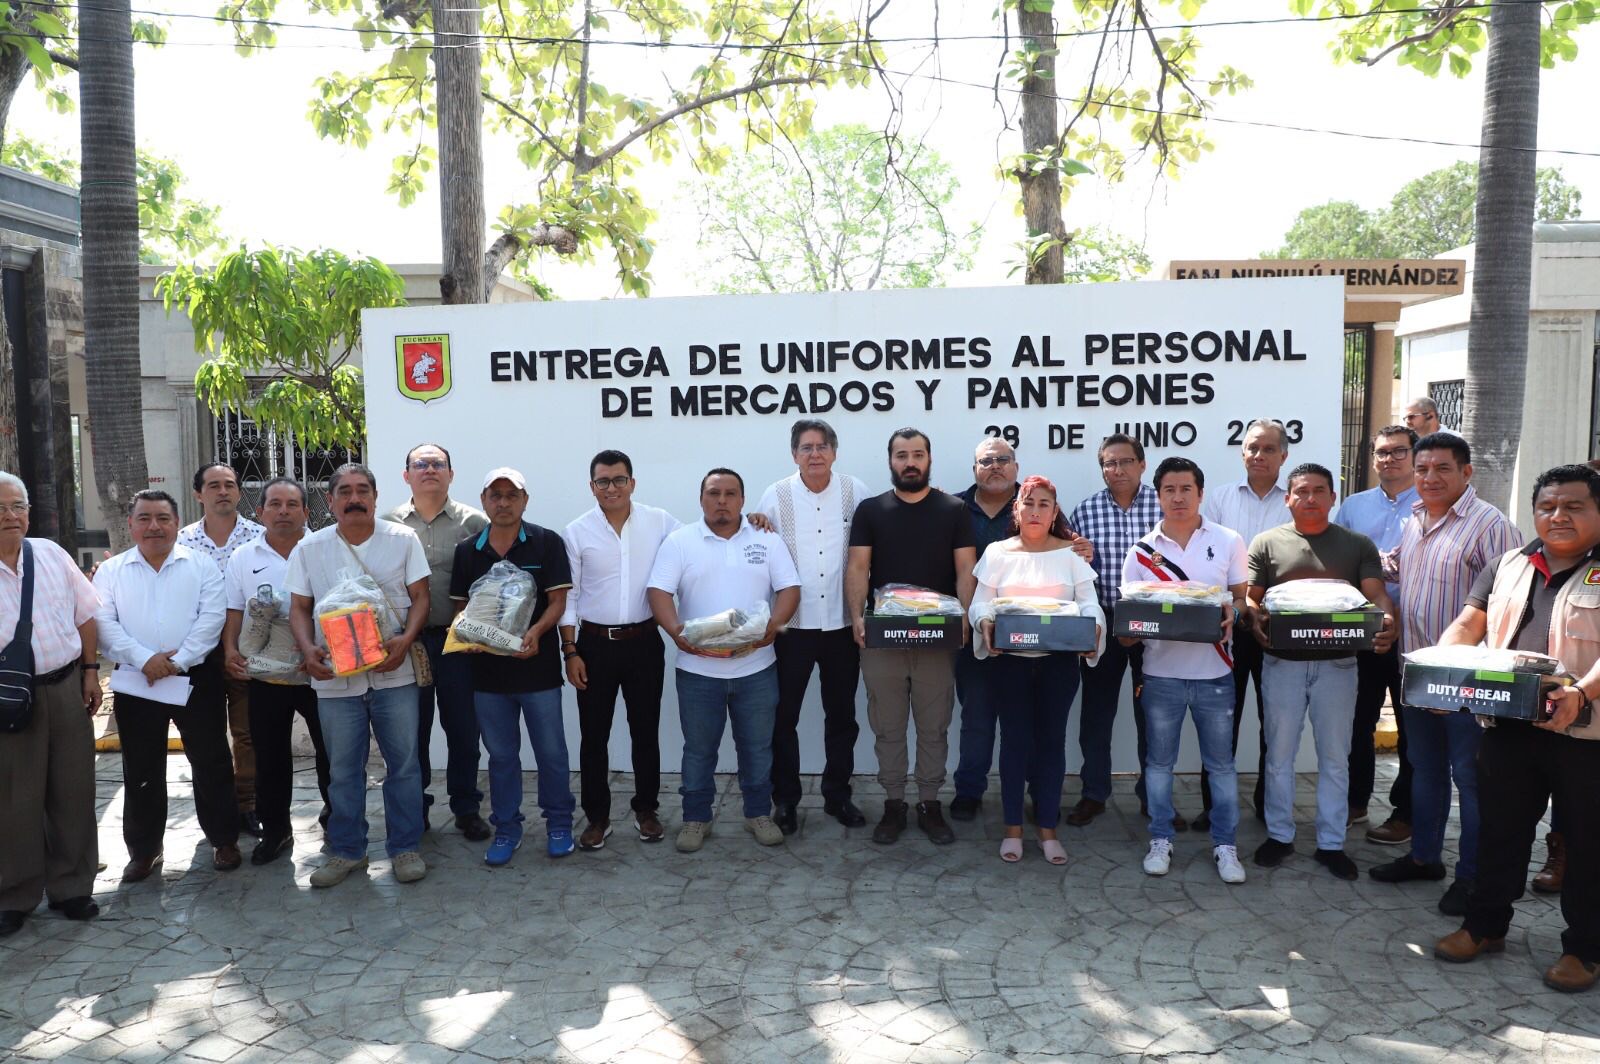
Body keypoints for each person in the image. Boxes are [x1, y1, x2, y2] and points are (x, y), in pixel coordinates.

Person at [1432, 464, 1600, 993]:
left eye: (1573, 506)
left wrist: (1580, 693)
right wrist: (1442, 670)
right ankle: (1485, 926)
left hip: (1586, 735)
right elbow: (1469, 622)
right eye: (1548, 506)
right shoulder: (1510, 563)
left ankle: (1584, 949)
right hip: (1509, 726)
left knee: (1588, 842)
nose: (1558, 516)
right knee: (1499, 830)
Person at [1369, 433, 1520, 915]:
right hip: (1415, 672)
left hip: (1468, 684)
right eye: (1423, 470)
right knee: (1427, 771)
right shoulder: (1416, 519)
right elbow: (1391, 568)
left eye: (1442, 469)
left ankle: (1473, 878)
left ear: (1467, 472)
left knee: (1471, 782)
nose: (1430, 478)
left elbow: (1509, 607)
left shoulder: (1489, 526)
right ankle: (1424, 858)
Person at [1247, 463, 1396, 880]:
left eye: (1319, 491)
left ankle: (1331, 843)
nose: (1310, 498)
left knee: (1335, 757)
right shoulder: (1267, 543)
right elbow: (1252, 598)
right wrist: (1254, 618)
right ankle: (1279, 835)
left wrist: (1388, 622)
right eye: (1301, 491)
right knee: (1278, 755)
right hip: (1282, 665)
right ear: (1288, 498)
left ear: (1333, 497)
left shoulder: (1356, 544)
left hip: (1339, 665)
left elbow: (1377, 595)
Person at [288, 463, 430, 887]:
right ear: (329, 501)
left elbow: (420, 597)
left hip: (393, 671)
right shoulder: (310, 548)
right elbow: (298, 607)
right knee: (343, 769)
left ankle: (404, 848)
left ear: (375, 496)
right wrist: (307, 648)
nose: (354, 499)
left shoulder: (402, 539)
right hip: (335, 678)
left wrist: (405, 640)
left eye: (362, 490)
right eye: (344, 491)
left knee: (403, 765)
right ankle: (347, 851)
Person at [647, 469, 800, 853]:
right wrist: (677, 632)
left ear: (742, 500)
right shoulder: (680, 541)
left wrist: (774, 628)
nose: (722, 500)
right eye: (714, 493)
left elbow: (790, 588)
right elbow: (659, 591)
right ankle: (696, 819)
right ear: (701, 499)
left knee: (758, 747)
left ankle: (757, 814)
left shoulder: (766, 539)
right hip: (698, 670)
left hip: (756, 667)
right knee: (698, 750)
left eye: (731, 494)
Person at [96, 489, 240, 880]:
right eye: (144, 518)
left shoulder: (202, 565)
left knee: (211, 760)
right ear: (131, 525)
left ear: (177, 523)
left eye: (163, 518)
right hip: (136, 680)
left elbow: (211, 619)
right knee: (141, 766)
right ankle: (144, 851)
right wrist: (146, 659)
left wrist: (176, 661)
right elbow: (104, 624)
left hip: (195, 677)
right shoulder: (112, 571)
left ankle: (224, 839)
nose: (154, 526)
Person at [1119, 458, 1251, 884]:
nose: (1178, 497)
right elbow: (1129, 622)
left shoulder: (1228, 540)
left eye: (1186, 489)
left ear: (1200, 492)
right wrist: (1133, 628)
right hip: (1161, 674)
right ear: (1158, 495)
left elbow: (1242, 601)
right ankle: (1160, 838)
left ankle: (1225, 845)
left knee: (1222, 766)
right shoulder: (1141, 550)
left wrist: (1235, 612)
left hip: (1215, 674)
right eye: (1169, 489)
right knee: (1158, 765)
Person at [846, 428, 977, 845]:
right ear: (890, 461)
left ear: (929, 459)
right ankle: (894, 803)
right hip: (882, 638)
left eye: (917, 454)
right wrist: (857, 618)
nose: (910, 462)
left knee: (934, 724)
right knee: (887, 725)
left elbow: (965, 570)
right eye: (901, 455)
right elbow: (857, 569)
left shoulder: (954, 509)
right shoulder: (871, 510)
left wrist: (965, 620)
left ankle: (929, 802)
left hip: (938, 640)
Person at [970, 475, 1103, 866]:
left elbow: (1090, 604)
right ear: (1017, 509)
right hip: (1010, 663)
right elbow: (980, 604)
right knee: (1013, 741)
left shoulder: (1071, 555)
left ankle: (1047, 827)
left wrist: (1093, 628)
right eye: (1028, 503)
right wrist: (985, 624)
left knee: (1051, 742)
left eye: (1044, 504)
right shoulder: (997, 552)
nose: (1035, 511)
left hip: (1057, 664)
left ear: (1054, 511)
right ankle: (1013, 827)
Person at [450, 468, 576, 864]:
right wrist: (467, 637)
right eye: (495, 495)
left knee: (551, 753)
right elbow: (460, 607)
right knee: (501, 757)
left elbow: (557, 601)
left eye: (511, 495)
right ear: (484, 500)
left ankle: (559, 824)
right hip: (488, 677)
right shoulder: (467, 550)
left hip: (536, 671)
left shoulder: (546, 542)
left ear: (525, 500)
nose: (503, 503)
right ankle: (506, 828)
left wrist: (537, 632)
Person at [560, 450, 680, 849]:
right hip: (594, 646)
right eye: (602, 482)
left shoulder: (660, 522)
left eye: (619, 480)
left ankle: (646, 811)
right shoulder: (576, 532)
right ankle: (597, 817)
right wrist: (571, 651)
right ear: (591, 486)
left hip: (645, 641)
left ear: (633, 482)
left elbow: (701, 542)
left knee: (645, 732)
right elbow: (570, 598)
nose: (611, 488)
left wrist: (751, 522)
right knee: (593, 736)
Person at [0, 472, 102, 936]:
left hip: (65, 687)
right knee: (13, 798)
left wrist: (90, 672)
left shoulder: (51, 554)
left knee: (73, 790)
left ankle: (72, 887)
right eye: (0, 508)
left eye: (17, 506)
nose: (10, 516)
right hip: (8, 698)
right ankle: (14, 895)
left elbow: (85, 615)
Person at [756, 419, 870, 834]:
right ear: (794, 454)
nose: (815, 454)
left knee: (841, 715)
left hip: (841, 624)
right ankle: (784, 800)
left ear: (834, 452)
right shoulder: (776, 495)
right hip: (793, 628)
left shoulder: (855, 491)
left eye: (822, 446)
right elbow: (758, 544)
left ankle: (838, 795)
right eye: (806, 447)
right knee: (782, 716)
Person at [220, 477, 331, 866]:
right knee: (269, 756)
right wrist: (231, 650)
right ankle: (277, 831)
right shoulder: (243, 557)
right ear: (260, 511)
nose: (283, 511)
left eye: (292, 504)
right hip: (265, 675)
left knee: (330, 752)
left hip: (318, 671)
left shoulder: (324, 549)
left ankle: (335, 822)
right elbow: (235, 610)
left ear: (306, 511)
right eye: (275, 504)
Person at [384, 443, 490, 841]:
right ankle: (417, 807)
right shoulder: (389, 523)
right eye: (420, 464)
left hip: (457, 644)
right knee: (412, 731)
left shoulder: (474, 524)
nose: (429, 469)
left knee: (464, 729)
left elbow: (491, 582)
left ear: (451, 473)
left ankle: (466, 807)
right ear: (406, 474)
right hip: (407, 645)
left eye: (438, 464)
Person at [1065, 432, 1164, 828]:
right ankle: (1093, 794)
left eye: (1125, 461)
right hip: (1103, 624)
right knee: (1096, 713)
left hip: (1154, 625)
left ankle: (1152, 796)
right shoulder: (1085, 511)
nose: (1117, 469)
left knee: (1153, 715)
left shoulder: (1165, 508)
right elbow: (1073, 571)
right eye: (1109, 463)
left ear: (1142, 465)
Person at [1200, 418, 1291, 831]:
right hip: (1231, 624)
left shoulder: (1296, 499)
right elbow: (1210, 561)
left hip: (1278, 628)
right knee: (1222, 720)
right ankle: (1213, 806)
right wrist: (1242, 606)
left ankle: (1266, 804)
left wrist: (1263, 607)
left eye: (1269, 449)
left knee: (1274, 720)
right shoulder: (1219, 499)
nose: (1259, 455)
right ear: (1241, 452)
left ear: (1283, 456)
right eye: (1253, 447)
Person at [1334, 426, 1420, 843]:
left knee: (1411, 728)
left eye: (1399, 451)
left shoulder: (1431, 503)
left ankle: (1405, 812)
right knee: (1357, 721)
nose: (1390, 459)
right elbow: (1338, 561)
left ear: (1413, 455)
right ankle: (1355, 801)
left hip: (1418, 635)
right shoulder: (1354, 506)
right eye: (1382, 452)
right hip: (1362, 632)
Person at [178, 463, 265, 838]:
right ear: (199, 494)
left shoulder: (260, 537)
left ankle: (248, 805)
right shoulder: (180, 543)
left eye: (230, 485)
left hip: (249, 648)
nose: (223, 492)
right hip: (198, 654)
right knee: (208, 737)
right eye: (214, 486)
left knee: (247, 732)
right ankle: (217, 812)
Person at [950, 436, 1021, 821]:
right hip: (970, 632)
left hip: (1027, 635)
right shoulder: (952, 508)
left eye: (1003, 459)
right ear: (974, 469)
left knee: (1022, 720)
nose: (994, 466)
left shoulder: (1037, 504)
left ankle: (1024, 791)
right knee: (976, 717)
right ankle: (969, 791)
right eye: (986, 460)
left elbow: (1065, 548)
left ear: (1016, 466)